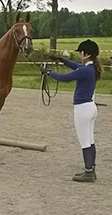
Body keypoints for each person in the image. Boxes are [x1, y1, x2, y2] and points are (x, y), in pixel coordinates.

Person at [41, 39, 102, 183]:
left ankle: (88, 173)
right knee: (90, 140)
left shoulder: (85, 70)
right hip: (90, 108)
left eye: (80, 53)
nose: (79, 56)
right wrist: (61, 59)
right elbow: (76, 66)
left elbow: (64, 77)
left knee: (85, 141)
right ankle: (91, 170)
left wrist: (48, 72)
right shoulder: (90, 68)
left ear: (85, 54)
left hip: (83, 109)